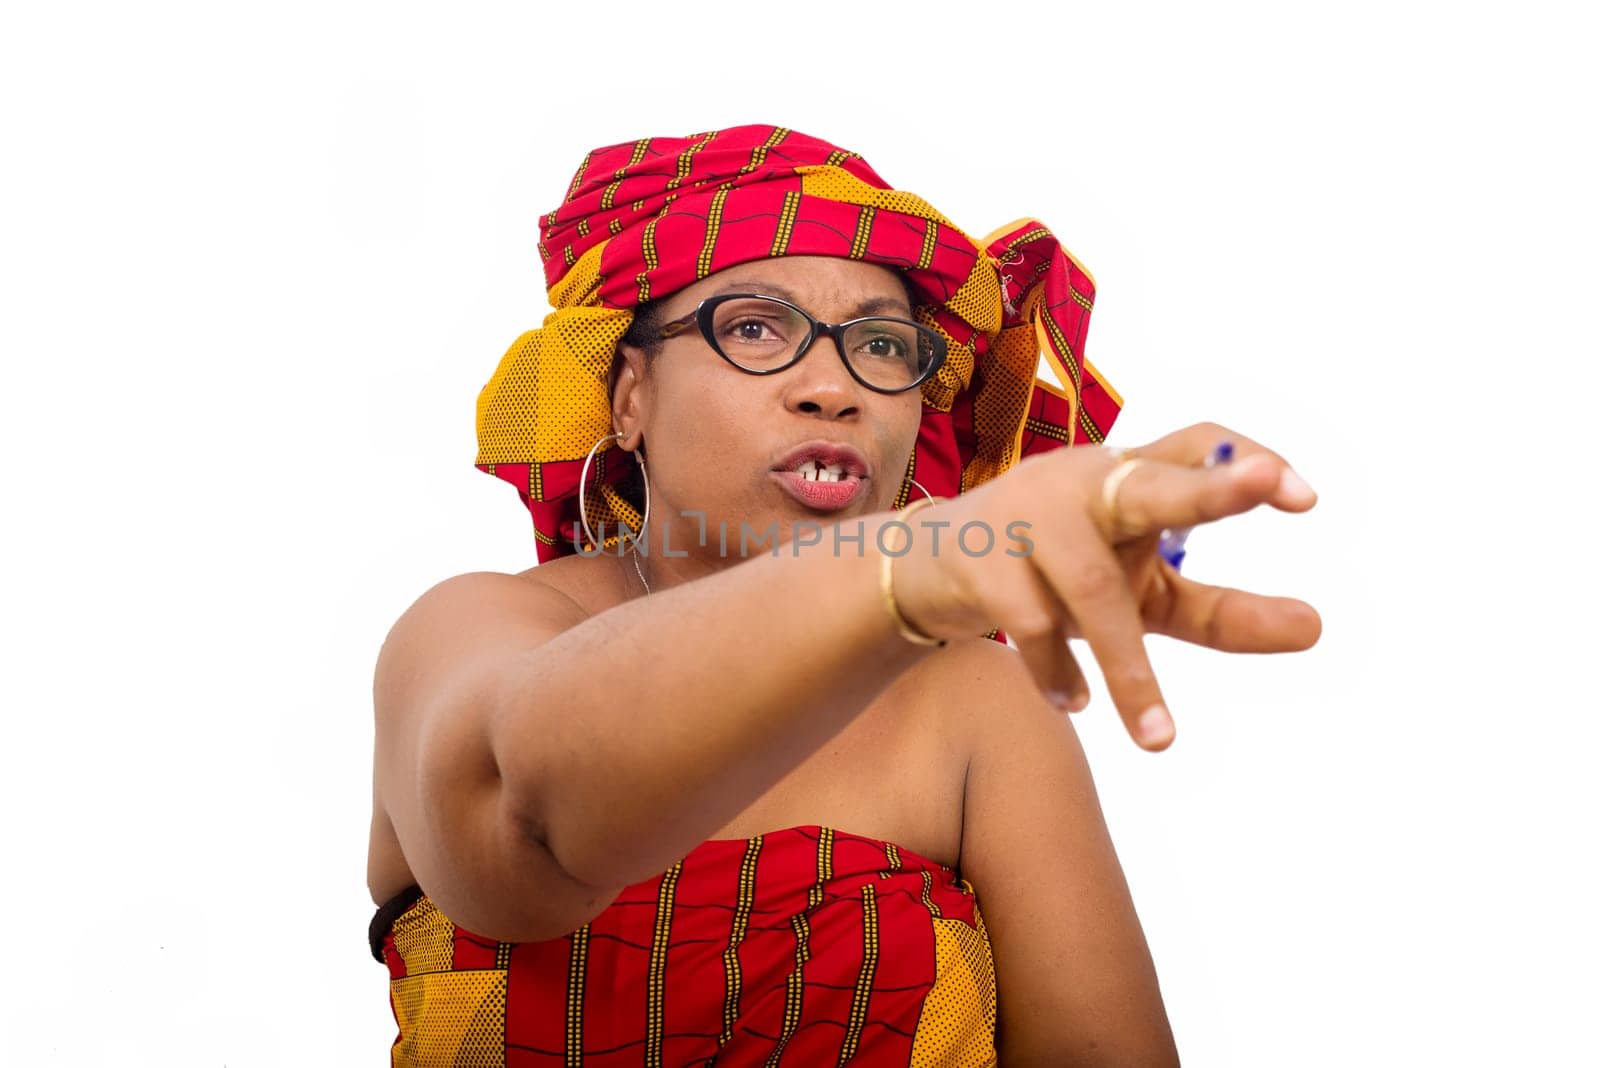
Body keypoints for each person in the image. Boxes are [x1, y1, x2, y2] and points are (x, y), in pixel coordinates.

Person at [366, 124, 1321, 1066]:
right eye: (752, 327)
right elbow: (520, 837)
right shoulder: (477, 628)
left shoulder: (979, 706)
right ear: (628, 396)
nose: (833, 387)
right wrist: (920, 563)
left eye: (880, 346)